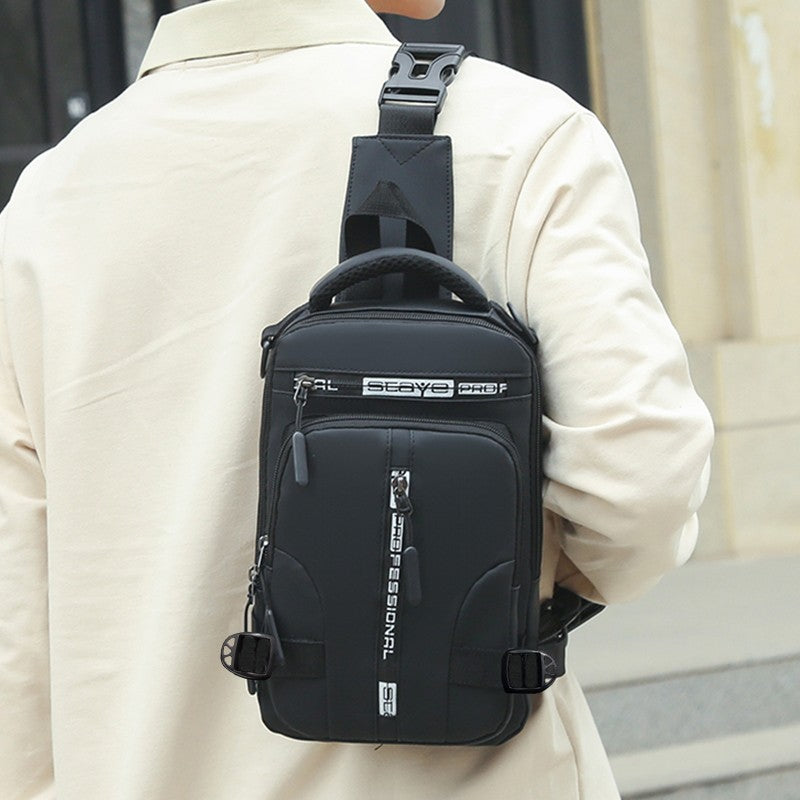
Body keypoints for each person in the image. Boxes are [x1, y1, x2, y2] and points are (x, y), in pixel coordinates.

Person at [0, 1, 714, 798]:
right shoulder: (515, 134)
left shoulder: (47, 198)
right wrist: (501, 595)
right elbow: (641, 479)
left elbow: (16, 632)